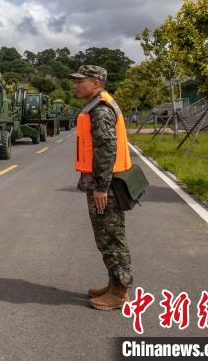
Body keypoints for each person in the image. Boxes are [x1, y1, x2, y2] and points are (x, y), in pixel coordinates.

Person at [70, 65, 133, 311]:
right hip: (106, 181)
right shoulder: (97, 104)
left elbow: (106, 150)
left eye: (80, 81)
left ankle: (119, 292)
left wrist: (101, 187)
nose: (75, 85)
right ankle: (115, 283)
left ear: (96, 83)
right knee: (108, 236)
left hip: (107, 183)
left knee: (110, 238)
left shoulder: (101, 110)